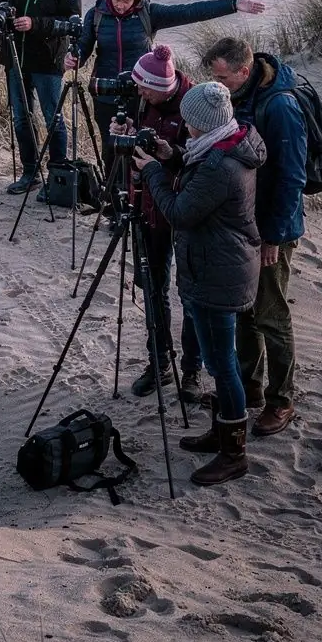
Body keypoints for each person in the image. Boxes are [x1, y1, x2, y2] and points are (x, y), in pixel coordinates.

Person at [133, 81, 266, 487]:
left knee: (221, 364)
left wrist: (152, 171)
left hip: (217, 274)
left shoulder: (219, 165)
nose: (186, 128)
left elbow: (179, 211)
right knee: (218, 360)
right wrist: (171, 158)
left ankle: (234, 453)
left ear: (205, 125)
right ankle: (221, 431)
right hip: (220, 266)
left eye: (190, 123)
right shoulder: (223, 147)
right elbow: (195, 187)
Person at [201, 36, 307, 437]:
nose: (218, 83)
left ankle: (283, 400)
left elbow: (291, 178)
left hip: (273, 229)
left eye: (222, 77)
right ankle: (249, 389)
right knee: (244, 309)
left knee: (271, 314)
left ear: (244, 71)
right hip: (246, 225)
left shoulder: (279, 106)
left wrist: (274, 238)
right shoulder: (243, 94)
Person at [65, 0, 265, 174]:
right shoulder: (97, 14)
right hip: (106, 94)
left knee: (139, 148)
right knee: (111, 147)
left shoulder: (147, 13)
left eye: (126, 1)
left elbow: (187, 12)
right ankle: (112, 199)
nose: (120, 5)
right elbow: (84, 47)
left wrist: (233, 5)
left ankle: (137, 196)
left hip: (143, 94)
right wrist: (74, 57)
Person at [120, 44, 203, 400]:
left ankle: (192, 371)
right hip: (149, 207)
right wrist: (126, 133)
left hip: (185, 212)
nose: (137, 92)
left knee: (191, 294)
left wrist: (173, 154)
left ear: (162, 86)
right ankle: (160, 364)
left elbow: (206, 161)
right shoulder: (145, 101)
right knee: (153, 289)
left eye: (144, 87)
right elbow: (138, 146)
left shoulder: (195, 106)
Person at [0, 0, 82, 194]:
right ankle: (30, 172)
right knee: (21, 117)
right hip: (15, 56)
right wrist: (2, 14)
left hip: (48, 60)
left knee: (53, 117)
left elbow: (72, 23)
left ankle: (57, 175)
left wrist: (36, 24)